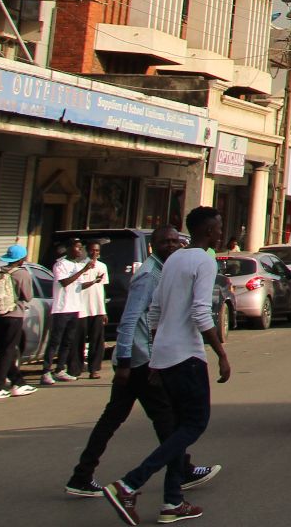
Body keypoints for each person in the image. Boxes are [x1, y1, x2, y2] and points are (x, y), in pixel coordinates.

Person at [103, 207, 232, 527]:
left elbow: (155, 311)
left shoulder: (173, 260)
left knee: (177, 430)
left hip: (164, 355)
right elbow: (202, 312)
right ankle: (129, 484)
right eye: (217, 229)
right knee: (195, 423)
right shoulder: (203, 260)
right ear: (207, 231)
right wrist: (221, 352)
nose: (220, 233)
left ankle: (172, 501)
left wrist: (157, 351)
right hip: (187, 356)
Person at [66, 227, 218, 499]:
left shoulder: (165, 269)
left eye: (175, 241)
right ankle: (175, 474)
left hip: (143, 359)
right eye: (164, 242)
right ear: (153, 246)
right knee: (167, 419)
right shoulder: (149, 274)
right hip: (140, 361)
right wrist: (124, 361)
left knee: (117, 419)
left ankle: (81, 475)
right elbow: (129, 319)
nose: (171, 246)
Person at [0, 244, 37, 400]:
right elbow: (28, 296)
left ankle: (18, 383)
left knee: (4, 350)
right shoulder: (22, 274)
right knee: (9, 350)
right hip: (14, 314)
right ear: (22, 259)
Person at [43, 236, 94, 384]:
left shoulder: (77, 265)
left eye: (81, 247)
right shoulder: (60, 265)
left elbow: (78, 285)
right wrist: (84, 269)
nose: (80, 250)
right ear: (69, 248)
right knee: (55, 341)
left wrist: (93, 282)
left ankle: (60, 369)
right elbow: (65, 282)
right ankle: (46, 371)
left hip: (74, 307)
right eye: (78, 247)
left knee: (67, 341)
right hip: (61, 309)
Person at [78, 240, 111, 379]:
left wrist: (103, 311)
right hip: (81, 308)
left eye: (97, 251)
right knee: (78, 339)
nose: (95, 253)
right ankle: (76, 368)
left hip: (97, 309)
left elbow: (102, 289)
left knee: (97, 340)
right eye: (92, 250)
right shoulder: (79, 265)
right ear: (87, 250)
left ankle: (94, 369)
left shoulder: (102, 266)